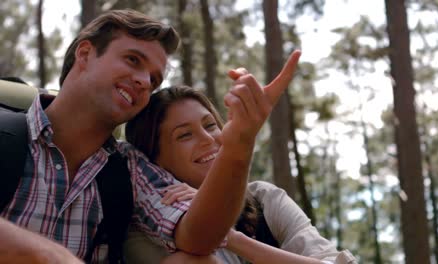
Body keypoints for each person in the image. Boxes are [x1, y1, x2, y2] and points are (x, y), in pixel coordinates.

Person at [0, 9, 301, 263]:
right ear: (85, 54)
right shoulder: (7, 130)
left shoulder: (128, 166)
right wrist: (50, 256)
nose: (144, 81)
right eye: (133, 60)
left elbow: (197, 238)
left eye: (154, 79)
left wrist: (238, 145)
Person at [124, 86, 357, 264]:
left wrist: (233, 238)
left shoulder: (264, 199)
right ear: (153, 160)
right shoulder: (145, 230)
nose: (208, 138)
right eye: (185, 135)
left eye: (211, 125)